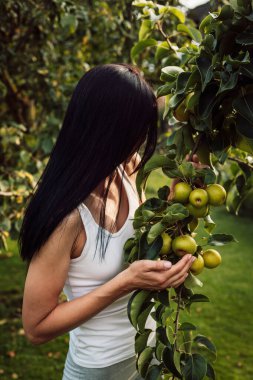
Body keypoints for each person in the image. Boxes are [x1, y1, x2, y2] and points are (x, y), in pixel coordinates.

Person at [19, 63, 196, 380]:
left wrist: (176, 198)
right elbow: (36, 328)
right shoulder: (67, 217)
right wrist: (126, 282)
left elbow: (143, 231)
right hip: (98, 369)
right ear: (109, 129)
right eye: (136, 129)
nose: (142, 139)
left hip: (146, 354)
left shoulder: (126, 168)